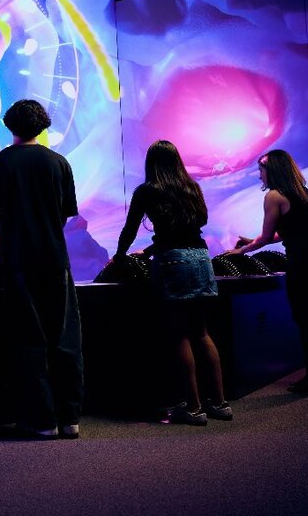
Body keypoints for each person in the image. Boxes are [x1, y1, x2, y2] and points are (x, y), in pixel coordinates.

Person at [0, 99, 83, 440]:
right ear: (43, 125)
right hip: (56, 261)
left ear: (9, 125)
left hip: (18, 264)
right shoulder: (59, 163)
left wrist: (1, 248)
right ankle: (71, 418)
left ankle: (42, 420)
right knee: (64, 340)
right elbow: (64, 215)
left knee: (30, 342)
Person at [115, 140, 231, 425]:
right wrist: (155, 247)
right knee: (201, 333)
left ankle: (192, 408)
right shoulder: (192, 188)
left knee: (179, 334)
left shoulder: (148, 190)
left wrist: (119, 256)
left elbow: (131, 229)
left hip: (173, 262)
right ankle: (220, 403)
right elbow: (192, 226)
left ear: (151, 164)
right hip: (201, 259)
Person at [227, 149, 308, 395]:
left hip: (304, 262)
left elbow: (269, 236)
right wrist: (253, 241)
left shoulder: (273, 195)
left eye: (261, 170)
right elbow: (289, 231)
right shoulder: (303, 193)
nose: (260, 176)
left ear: (273, 171)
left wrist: (243, 250)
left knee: (305, 321)